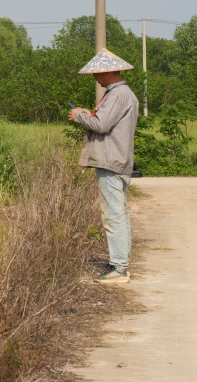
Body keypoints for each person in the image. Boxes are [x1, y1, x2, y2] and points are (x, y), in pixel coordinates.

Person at [68, 48, 140, 284]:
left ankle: (119, 269)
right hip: (118, 160)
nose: (95, 78)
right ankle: (120, 264)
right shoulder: (123, 94)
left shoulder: (118, 95)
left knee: (113, 216)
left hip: (111, 162)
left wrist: (79, 115)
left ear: (109, 71)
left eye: (97, 73)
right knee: (119, 215)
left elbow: (101, 125)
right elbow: (105, 122)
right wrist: (89, 115)